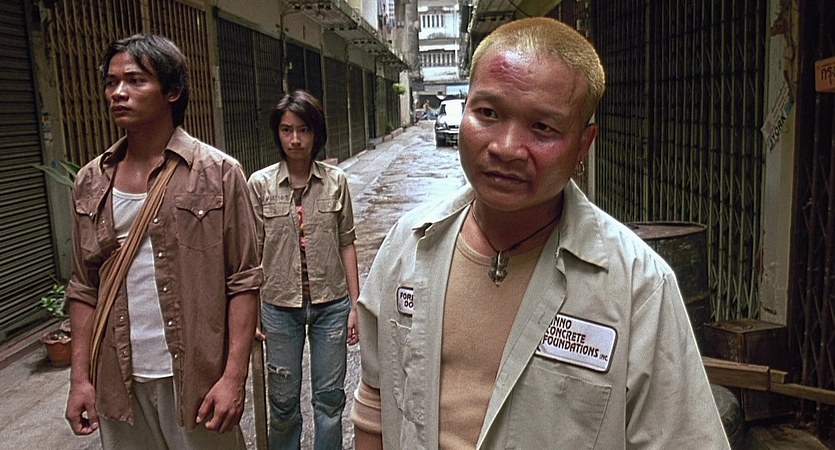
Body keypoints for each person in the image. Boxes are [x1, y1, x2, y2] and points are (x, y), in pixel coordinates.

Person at [351, 17, 730, 449]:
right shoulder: (408, 245)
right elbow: (375, 402)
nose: (506, 148)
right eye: (488, 113)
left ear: (584, 144)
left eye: (543, 128)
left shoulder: (637, 287)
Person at [64, 34, 262, 449]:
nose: (118, 92)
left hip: (197, 379)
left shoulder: (219, 173)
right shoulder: (91, 180)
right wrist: (80, 379)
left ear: (172, 91)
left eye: (135, 80)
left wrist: (233, 377)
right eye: (111, 82)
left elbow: (244, 280)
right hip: (117, 378)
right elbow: (84, 287)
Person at [247, 90, 360, 450]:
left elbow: (346, 242)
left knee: (329, 401)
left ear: (316, 133)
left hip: (331, 306)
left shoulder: (336, 181)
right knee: (282, 405)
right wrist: (250, 312)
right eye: (287, 130)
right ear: (277, 134)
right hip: (279, 307)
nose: (295, 139)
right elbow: (252, 253)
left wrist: (355, 305)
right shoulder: (260, 185)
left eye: (303, 130)